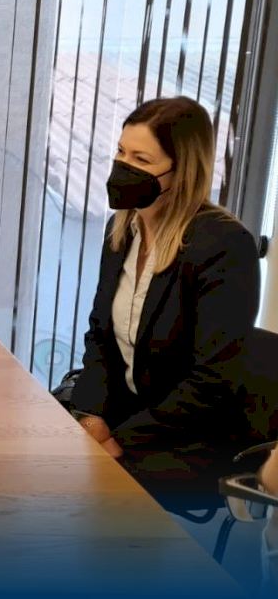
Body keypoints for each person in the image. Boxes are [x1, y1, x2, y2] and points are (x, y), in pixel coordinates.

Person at [71, 96, 260, 499]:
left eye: (141, 159)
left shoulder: (224, 245)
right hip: (123, 415)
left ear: (182, 171)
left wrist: (120, 441)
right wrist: (94, 419)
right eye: (121, 152)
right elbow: (100, 336)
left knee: (76, 489)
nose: (123, 167)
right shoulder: (121, 230)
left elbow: (214, 380)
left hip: (188, 437)